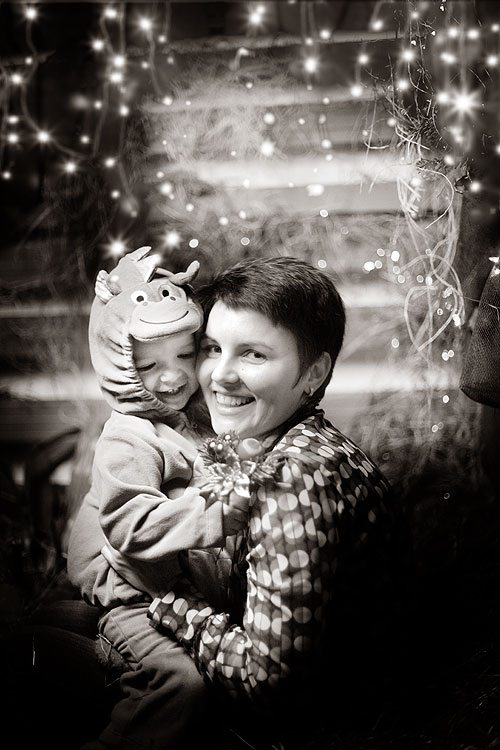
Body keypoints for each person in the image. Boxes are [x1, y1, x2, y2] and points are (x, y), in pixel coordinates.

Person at [139, 256, 395, 746]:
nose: (220, 376)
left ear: (314, 372)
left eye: (253, 355)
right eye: (212, 348)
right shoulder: (288, 443)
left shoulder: (294, 478)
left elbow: (268, 686)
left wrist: (167, 599)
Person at [66, 246, 249, 750]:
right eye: (147, 365)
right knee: (179, 684)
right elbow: (130, 526)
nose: (172, 378)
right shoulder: (128, 438)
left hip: (175, 590)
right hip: (130, 594)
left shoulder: (189, 418)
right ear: (120, 364)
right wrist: (215, 512)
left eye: (186, 355)